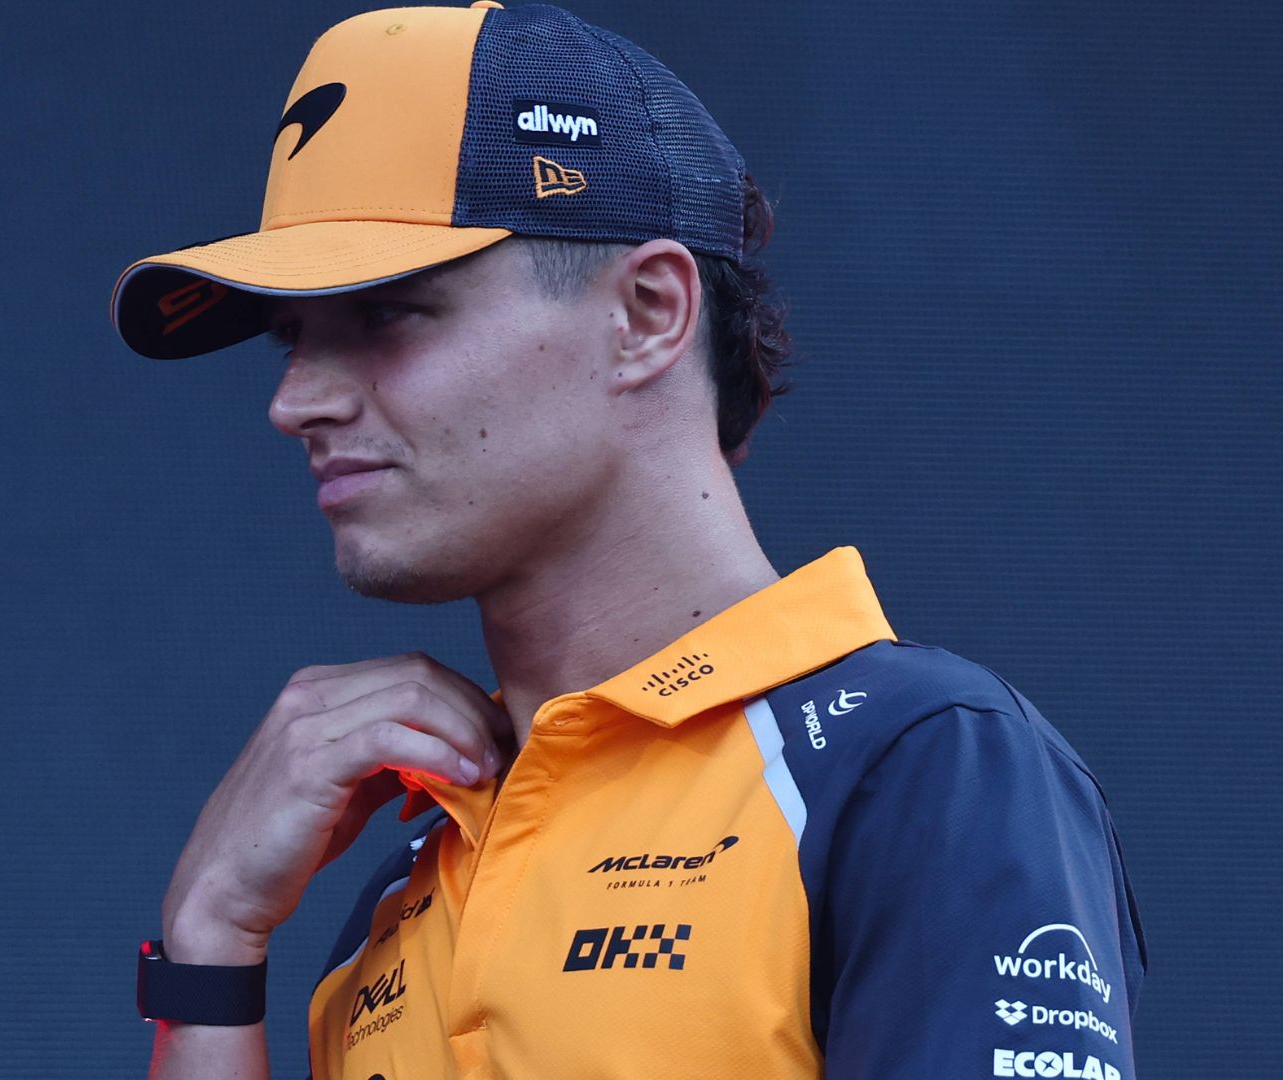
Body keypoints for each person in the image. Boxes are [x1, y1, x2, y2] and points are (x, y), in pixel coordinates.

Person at [110, 3, 1146, 1078]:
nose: (295, 403)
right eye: (291, 341)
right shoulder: (405, 882)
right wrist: (211, 957)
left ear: (648, 311)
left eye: (386, 314)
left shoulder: (916, 762)